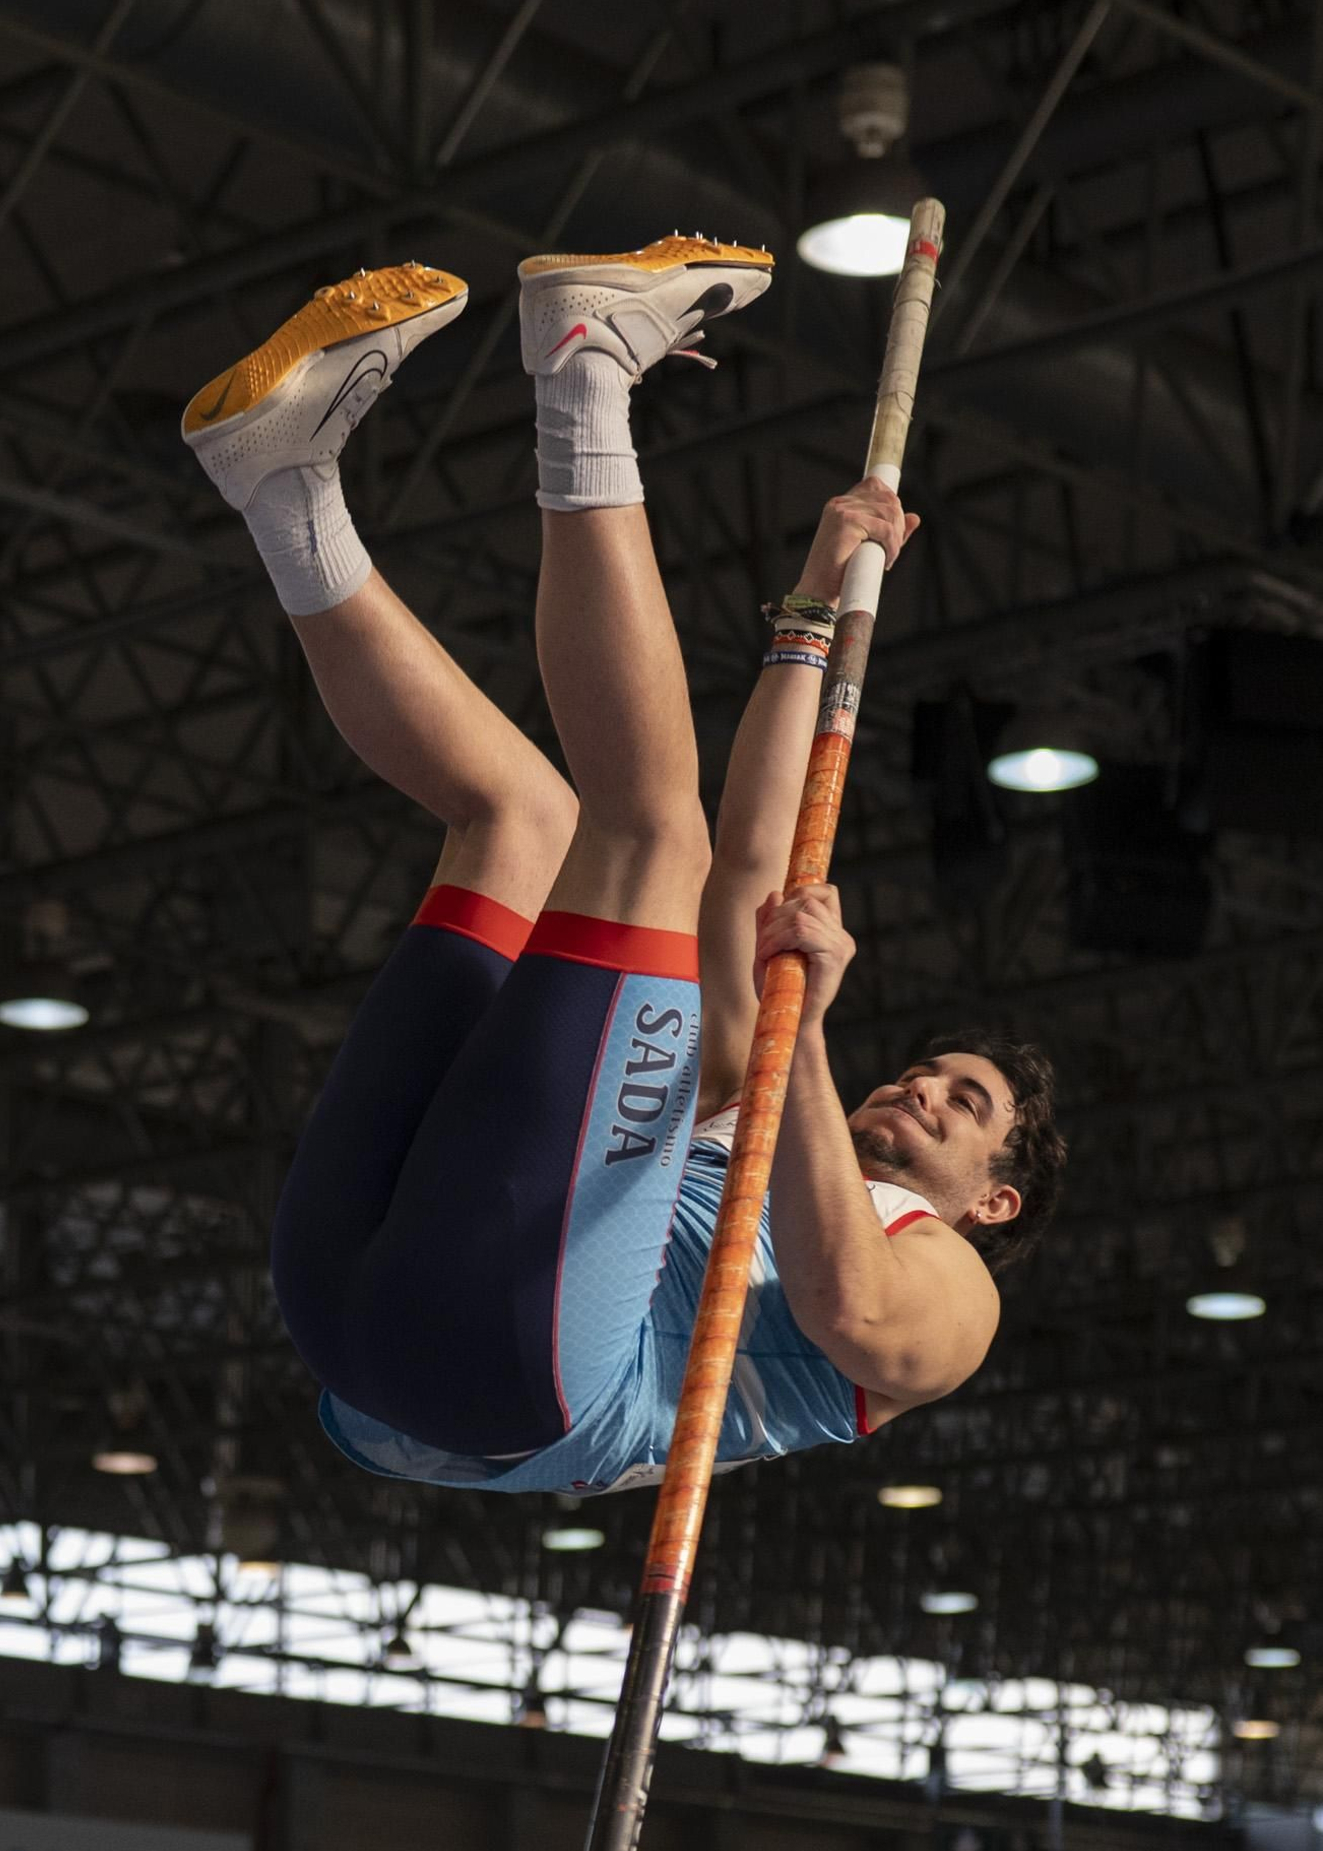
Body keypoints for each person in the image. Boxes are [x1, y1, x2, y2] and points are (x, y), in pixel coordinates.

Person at [181, 237, 1066, 1495]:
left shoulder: (952, 1287)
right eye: (932, 1070)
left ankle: (585, 371)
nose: (923, 1084)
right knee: (519, 815)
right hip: (352, 1305)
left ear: (996, 1199)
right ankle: (284, 492)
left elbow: (852, 1310)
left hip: (502, 1376)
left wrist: (805, 1031)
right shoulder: (734, 1103)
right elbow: (752, 858)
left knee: (648, 832)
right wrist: (810, 608)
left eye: (965, 1104)